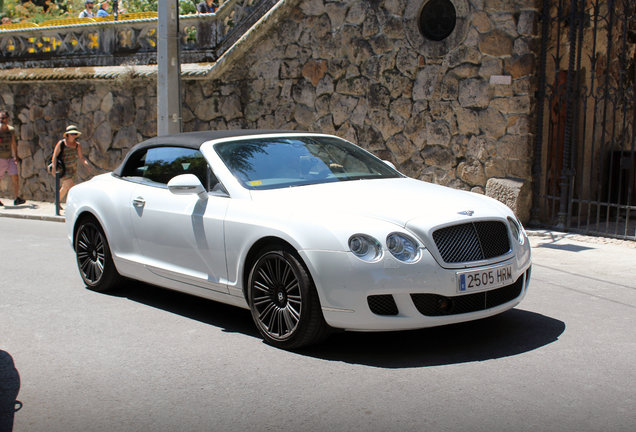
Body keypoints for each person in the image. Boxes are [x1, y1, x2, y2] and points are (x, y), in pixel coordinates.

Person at [50, 125, 92, 203]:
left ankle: (57, 202)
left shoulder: (77, 145)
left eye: (75, 134)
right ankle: (75, 204)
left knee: (65, 187)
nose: (74, 136)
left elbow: (81, 157)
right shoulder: (61, 143)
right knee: (72, 187)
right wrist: (53, 167)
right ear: (68, 134)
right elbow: (55, 156)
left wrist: (87, 165)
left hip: (72, 170)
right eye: (72, 134)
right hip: (63, 170)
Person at [0, 110, 25, 206]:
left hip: (9, 158)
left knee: (15, 177)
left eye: (3, 118)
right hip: (0, 158)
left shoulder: (11, 130)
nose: (2, 120)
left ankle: (16, 198)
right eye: (0, 118)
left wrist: (16, 156)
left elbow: (13, 143)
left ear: (8, 119)